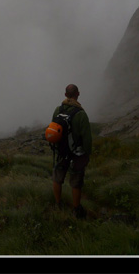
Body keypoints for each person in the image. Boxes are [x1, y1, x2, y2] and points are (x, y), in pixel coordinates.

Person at [51, 84, 92, 219]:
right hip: (77, 154)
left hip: (61, 151)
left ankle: (58, 204)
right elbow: (86, 137)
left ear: (65, 95)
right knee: (76, 181)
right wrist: (87, 154)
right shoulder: (81, 114)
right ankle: (76, 209)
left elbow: (53, 127)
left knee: (58, 178)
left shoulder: (58, 109)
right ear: (78, 94)